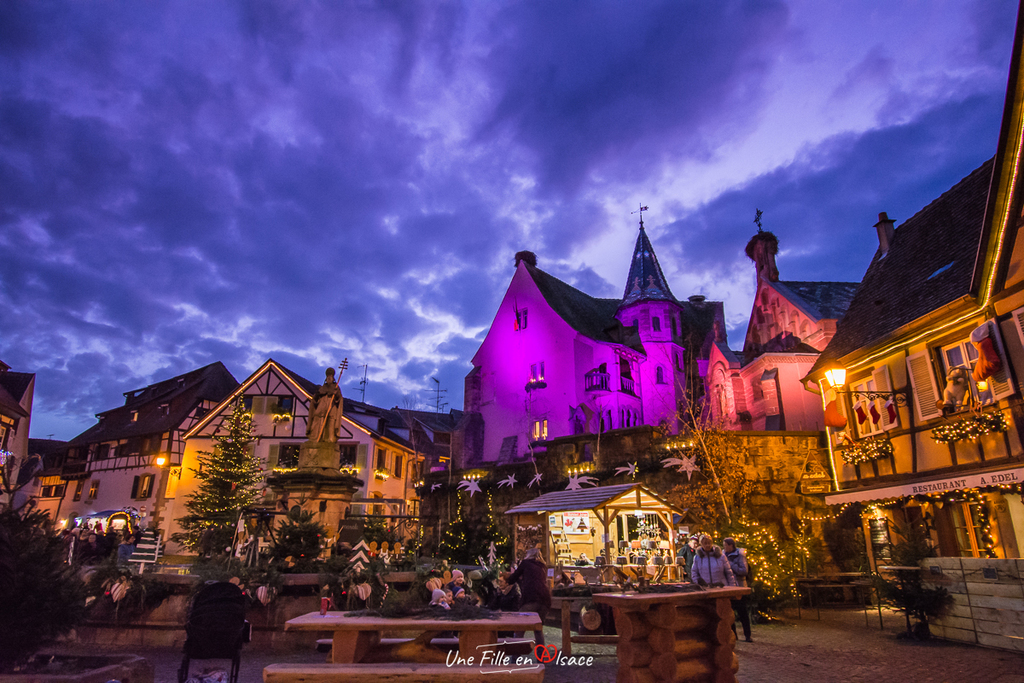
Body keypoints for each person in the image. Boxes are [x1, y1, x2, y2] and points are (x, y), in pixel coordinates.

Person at [508, 548, 552, 645]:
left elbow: (512, 579)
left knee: (519, 628)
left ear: (528, 555)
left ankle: (515, 657)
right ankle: (541, 657)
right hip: (545, 599)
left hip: (531, 598)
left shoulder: (525, 563)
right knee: (538, 629)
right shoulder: (543, 566)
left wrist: (512, 573)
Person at [723, 537, 752, 642]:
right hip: (728, 588)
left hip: (739, 587)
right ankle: (734, 634)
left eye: (726, 545)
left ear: (731, 546)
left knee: (742, 612)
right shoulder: (723, 555)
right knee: (730, 613)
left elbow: (744, 571)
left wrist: (731, 565)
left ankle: (747, 635)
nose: (724, 547)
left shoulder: (740, 556)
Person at [306, 367, 343, 443]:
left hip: (331, 407)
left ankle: (330, 438)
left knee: (331, 422)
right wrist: (317, 397)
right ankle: (316, 437)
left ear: (333, 378)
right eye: (328, 377)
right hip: (322, 408)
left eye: (330, 377)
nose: (329, 378)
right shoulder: (322, 387)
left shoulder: (336, 387)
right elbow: (316, 398)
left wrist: (335, 395)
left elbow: (339, 399)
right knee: (317, 419)